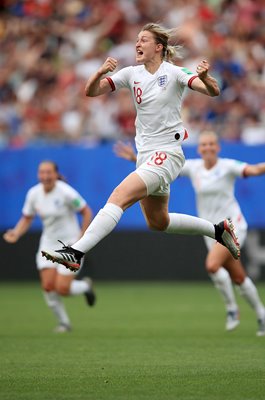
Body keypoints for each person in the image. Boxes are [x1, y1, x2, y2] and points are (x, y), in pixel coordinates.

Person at [41, 23, 240, 276]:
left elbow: (212, 91)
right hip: (147, 156)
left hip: (167, 153)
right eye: (137, 40)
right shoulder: (130, 73)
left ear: (158, 47)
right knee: (158, 222)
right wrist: (100, 72)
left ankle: (76, 252)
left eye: (143, 40)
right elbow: (91, 91)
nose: (137, 44)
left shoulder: (175, 72)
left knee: (118, 197)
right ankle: (218, 230)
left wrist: (204, 79)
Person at [113, 134, 265, 336]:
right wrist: (135, 158)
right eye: (204, 144)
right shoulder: (194, 168)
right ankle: (262, 315)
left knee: (212, 265)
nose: (207, 147)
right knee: (238, 277)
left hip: (232, 227)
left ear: (217, 147)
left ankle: (231, 309)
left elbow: (253, 169)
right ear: (199, 149)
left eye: (211, 144)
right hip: (211, 230)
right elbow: (163, 168)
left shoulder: (228, 166)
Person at [3, 161, 96, 333]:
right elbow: (27, 217)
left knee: (62, 288)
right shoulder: (33, 193)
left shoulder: (66, 192)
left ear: (55, 174)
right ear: (38, 175)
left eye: (48, 173)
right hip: (48, 244)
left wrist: (82, 237)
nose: (45, 176)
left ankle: (85, 287)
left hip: (70, 245)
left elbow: (86, 211)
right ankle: (64, 323)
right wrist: (16, 232)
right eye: (42, 173)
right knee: (48, 286)